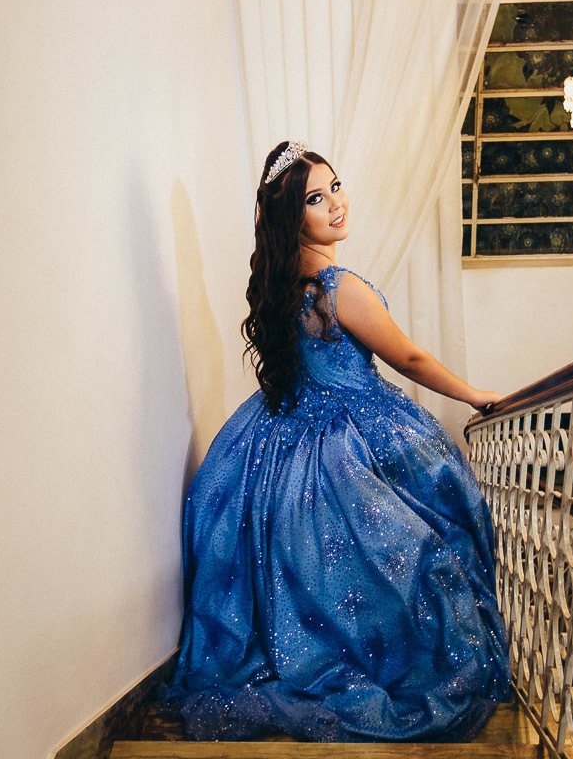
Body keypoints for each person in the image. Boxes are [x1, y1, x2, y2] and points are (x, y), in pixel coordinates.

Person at [158, 140, 512, 742]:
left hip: (282, 434)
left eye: (335, 187)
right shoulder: (336, 284)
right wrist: (473, 394)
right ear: (292, 216)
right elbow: (408, 357)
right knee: (423, 551)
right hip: (345, 431)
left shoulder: (281, 282)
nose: (336, 204)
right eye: (316, 199)